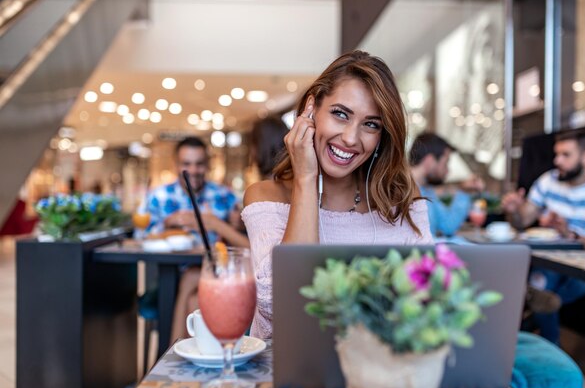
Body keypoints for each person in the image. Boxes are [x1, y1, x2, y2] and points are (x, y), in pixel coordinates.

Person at [242, 50, 433, 339]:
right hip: (285, 375)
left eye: (371, 124)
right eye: (340, 114)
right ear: (311, 109)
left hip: (380, 367)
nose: (350, 138)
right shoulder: (265, 197)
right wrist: (306, 178)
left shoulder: (401, 198)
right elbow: (286, 307)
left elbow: (428, 299)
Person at [501, 128, 585, 344]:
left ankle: (538, 325)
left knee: (543, 293)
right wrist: (513, 209)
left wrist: (570, 234)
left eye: (566, 155)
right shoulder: (548, 180)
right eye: (556, 154)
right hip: (549, 260)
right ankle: (548, 339)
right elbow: (522, 220)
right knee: (541, 283)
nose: (557, 161)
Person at [144, 136, 250, 342]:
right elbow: (140, 237)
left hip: (217, 272)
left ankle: (173, 355)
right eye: (187, 164)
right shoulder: (159, 197)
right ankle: (196, 363)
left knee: (194, 281)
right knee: (193, 290)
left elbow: (243, 236)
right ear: (176, 165)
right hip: (170, 274)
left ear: (208, 165)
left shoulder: (225, 196)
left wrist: (236, 224)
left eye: (199, 164)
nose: (193, 170)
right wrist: (166, 225)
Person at [408, 132, 484, 238]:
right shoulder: (401, 191)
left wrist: (464, 192)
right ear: (430, 161)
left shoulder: (427, 190)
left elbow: (447, 226)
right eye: (446, 163)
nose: (447, 171)